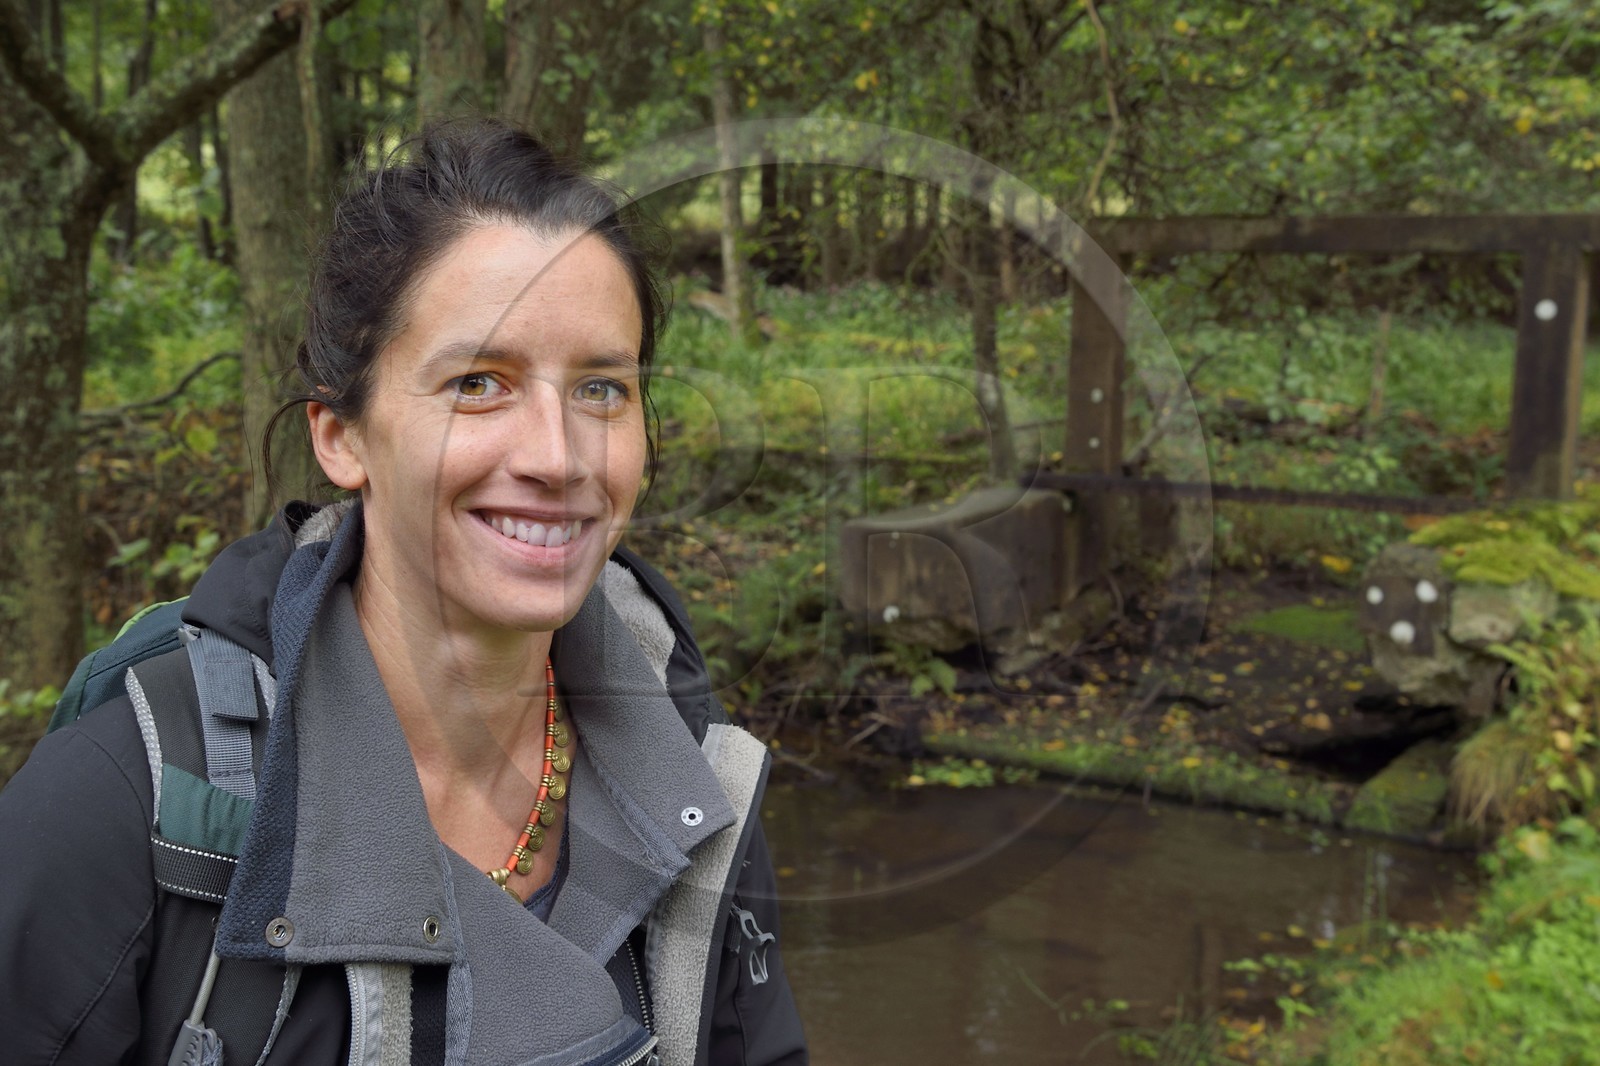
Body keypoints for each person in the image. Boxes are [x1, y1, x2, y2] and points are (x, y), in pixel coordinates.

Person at [0, 120, 807, 1066]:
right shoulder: (125, 798)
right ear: (340, 437)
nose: (557, 457)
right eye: (478, 382)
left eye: (601, 389)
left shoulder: (693, 783)